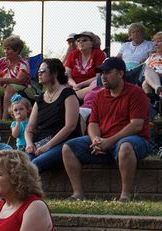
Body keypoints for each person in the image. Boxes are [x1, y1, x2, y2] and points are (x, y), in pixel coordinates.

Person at [62, 57, 152, 202]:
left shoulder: (136, 93)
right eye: (101, 73)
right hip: (105, 141)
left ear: (120, 74)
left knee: (126, 147)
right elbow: (93, 123)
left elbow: (136, 125)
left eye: (107, 72)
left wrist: (109, 141)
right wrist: (96, 140)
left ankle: (125, 196)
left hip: (135, 140)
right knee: (68, 148)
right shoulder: (99, 96)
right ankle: (78, 194)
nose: (103, 76)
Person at [24, 58, 81, 172]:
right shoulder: (40, 99)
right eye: (38, 71)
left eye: (43, 71)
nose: (39, 73)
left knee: (34, 165)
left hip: (63, 143)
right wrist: (29, 144)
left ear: (54, 73)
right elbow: (29, 129)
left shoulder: (68, 94)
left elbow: (70, 126)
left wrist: (48, 146)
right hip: (39, 143)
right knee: (16, 163)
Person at [0, 35, 31, 121]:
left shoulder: (23, 64)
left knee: (10, 87)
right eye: (5, 48)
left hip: (23, 88)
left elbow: (19, 81)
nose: (5, 51)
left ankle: (4, 118)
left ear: (17, 50)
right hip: (4, 87)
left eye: (8, 49)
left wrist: (2, 80)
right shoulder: (1, 61)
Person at [64, 31, 106, 100]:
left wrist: (81, 85)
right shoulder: (73, 54)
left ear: (92, 43)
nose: (80, 42)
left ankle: (71, 98)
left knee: (96, 83)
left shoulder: (98, 53)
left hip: (90, 86)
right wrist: (75, 85)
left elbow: (99, 76)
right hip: (73, 86)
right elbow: (67, 76)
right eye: (78, 40)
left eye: (84, 40)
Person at [142, 32, 162, 98]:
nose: (155, 44)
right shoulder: (152, 56)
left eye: (159, 41)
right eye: (154, 41)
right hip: (151, 79)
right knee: (145, 83)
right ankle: (151, 100)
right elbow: (143, 67)